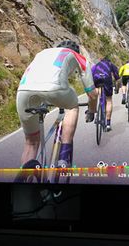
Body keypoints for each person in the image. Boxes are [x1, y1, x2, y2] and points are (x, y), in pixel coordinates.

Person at [15, 40, 96, 169]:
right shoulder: (77, 56)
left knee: (31, 142)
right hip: (55, 89)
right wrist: (92, 111)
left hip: (23, 91)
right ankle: (63, 158)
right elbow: (92, 94)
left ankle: (25, 180)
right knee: (72, 107)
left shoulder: (41, 53)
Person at [88, 56, 118, 131]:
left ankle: (92, 111)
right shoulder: (111, 64)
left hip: (97, 79)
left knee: (95, 93)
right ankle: (108, 124)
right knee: (109, 100)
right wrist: (117, 88)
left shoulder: (96, 65)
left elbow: (90, 75)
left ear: (101, 60)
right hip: (107, 80)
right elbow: (117, 77)